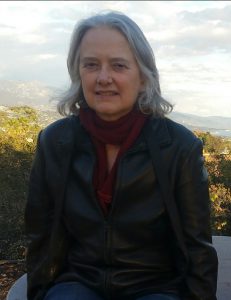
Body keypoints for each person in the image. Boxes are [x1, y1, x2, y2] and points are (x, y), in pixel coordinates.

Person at [25, 11, 218, 300]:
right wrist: (40, 293)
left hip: (156, 286)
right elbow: (39, 233)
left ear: (142, 76)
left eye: (118, 65)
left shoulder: (179, 147)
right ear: (78, 72)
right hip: (79, 281)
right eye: (91, 65)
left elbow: (196, 244)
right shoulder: (55, 141)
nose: (104, 77)